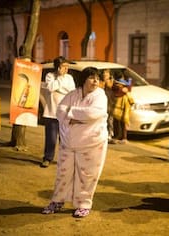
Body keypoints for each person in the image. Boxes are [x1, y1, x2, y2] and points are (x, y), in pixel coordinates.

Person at [41, 67, 108, 218]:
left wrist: (71, 114)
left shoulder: (100, 96)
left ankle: (83, 204)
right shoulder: (73, 94)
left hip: (92, 143)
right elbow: (60, 111)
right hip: (69, 142)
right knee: (63, 174)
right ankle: (57, 201)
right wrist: (79, 117)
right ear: (83, 79)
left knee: (87, 175)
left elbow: (94, 113)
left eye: (97, 78)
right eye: (91, 77)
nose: (95, 81)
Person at [40, 56, 76, 168]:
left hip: (65, 113)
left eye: (67, 66)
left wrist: (59, 87)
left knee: (64, 138)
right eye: (64, 66)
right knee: (51, 138)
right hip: (51, 112)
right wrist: (59, 79)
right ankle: (47, 158)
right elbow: (50, 87)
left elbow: (71, 91)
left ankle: (64, 159)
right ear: (58, 67)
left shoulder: (69, 78)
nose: (66, 69)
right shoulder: (50, 76)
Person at [112, 71, 134, 144]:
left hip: (120, 106)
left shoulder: (117, 84)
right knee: (119, 122)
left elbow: (127, 89)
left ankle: (120, 137)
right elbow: (126, 89)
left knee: (120, 122)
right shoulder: (117, 85)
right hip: (120, 105)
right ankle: (120, 137)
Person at [99, 69, 116, 144]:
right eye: (104, 74)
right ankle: (103, 136)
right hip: (103, 104)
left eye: (106, 74)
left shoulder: (111, 82)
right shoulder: (100, 82)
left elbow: (112, 87)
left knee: (110, 120)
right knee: (103, 121)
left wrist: (110, 81)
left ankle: (109, 136)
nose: (104, 75)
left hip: (110, 103)